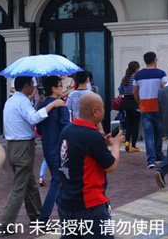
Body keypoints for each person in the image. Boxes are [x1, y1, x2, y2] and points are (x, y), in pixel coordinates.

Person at [0, 76, 66, 234]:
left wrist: (37, 104)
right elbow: (34, 118)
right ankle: (5, 224)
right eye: (32, 85)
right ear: (26, 86)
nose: (34, 88)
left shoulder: (13, 100)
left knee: (30, 185)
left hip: (13, 147)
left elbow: (28, 119)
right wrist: (53, 104)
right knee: (19, 187)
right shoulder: (22, 101)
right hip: (22, 147)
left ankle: (37, 218)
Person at [57, 93, 122, 238]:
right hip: (90, 206)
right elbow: (110, 166)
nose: (104, 111)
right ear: (95, 111)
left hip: (67, 203)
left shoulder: (67, 131)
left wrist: (101, 145)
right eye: (102, 108)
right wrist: (116, 145)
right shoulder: (92, 135)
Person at [36, 76, 70, 225]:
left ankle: (65, 216)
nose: (62, 88)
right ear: (53, 89)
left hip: (47, 147)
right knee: (57, 181)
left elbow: (41, 130)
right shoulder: (60, 106)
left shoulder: (43, 106)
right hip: (60, 149)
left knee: (58, 180)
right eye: (60, 85)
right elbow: (66, 129)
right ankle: (44, 218)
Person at [135, 51, 168, 168]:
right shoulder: (161, 73)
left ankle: (151, 159)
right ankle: (159, 155)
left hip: (144, 107)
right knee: (158, 133)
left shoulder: (138, 75)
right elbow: (165, 88)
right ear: (154, 60)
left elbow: (135, 91)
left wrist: (139, 102)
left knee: (148, 134)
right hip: (157, 107)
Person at [117, 61, 141, 152]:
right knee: (135, 124)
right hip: (134, 102)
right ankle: (133, 145)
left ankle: (127, 141)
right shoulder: (137, 78)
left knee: (128, 124)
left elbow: (120, 90)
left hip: (125, 102)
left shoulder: (125, 78)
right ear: (136, 69)